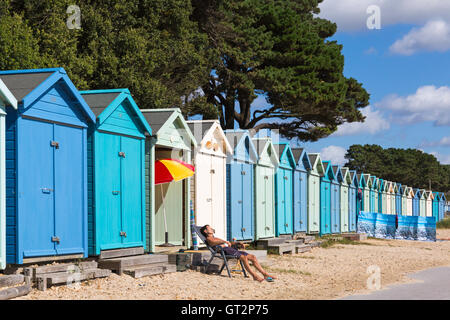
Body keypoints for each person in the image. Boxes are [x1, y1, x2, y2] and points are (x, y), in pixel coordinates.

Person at [200, 225, 276, 282]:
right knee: (243, 257)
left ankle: (265, 274)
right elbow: (213, 242)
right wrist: (224, 242)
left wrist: (238, 243)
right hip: (225, 251)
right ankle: (254, 276)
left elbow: (229, 243)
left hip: (230, 249)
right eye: (209, 228)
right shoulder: (209, 238)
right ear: (205, 231)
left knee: (253, 257)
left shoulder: (215, 237)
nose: (211, 228)